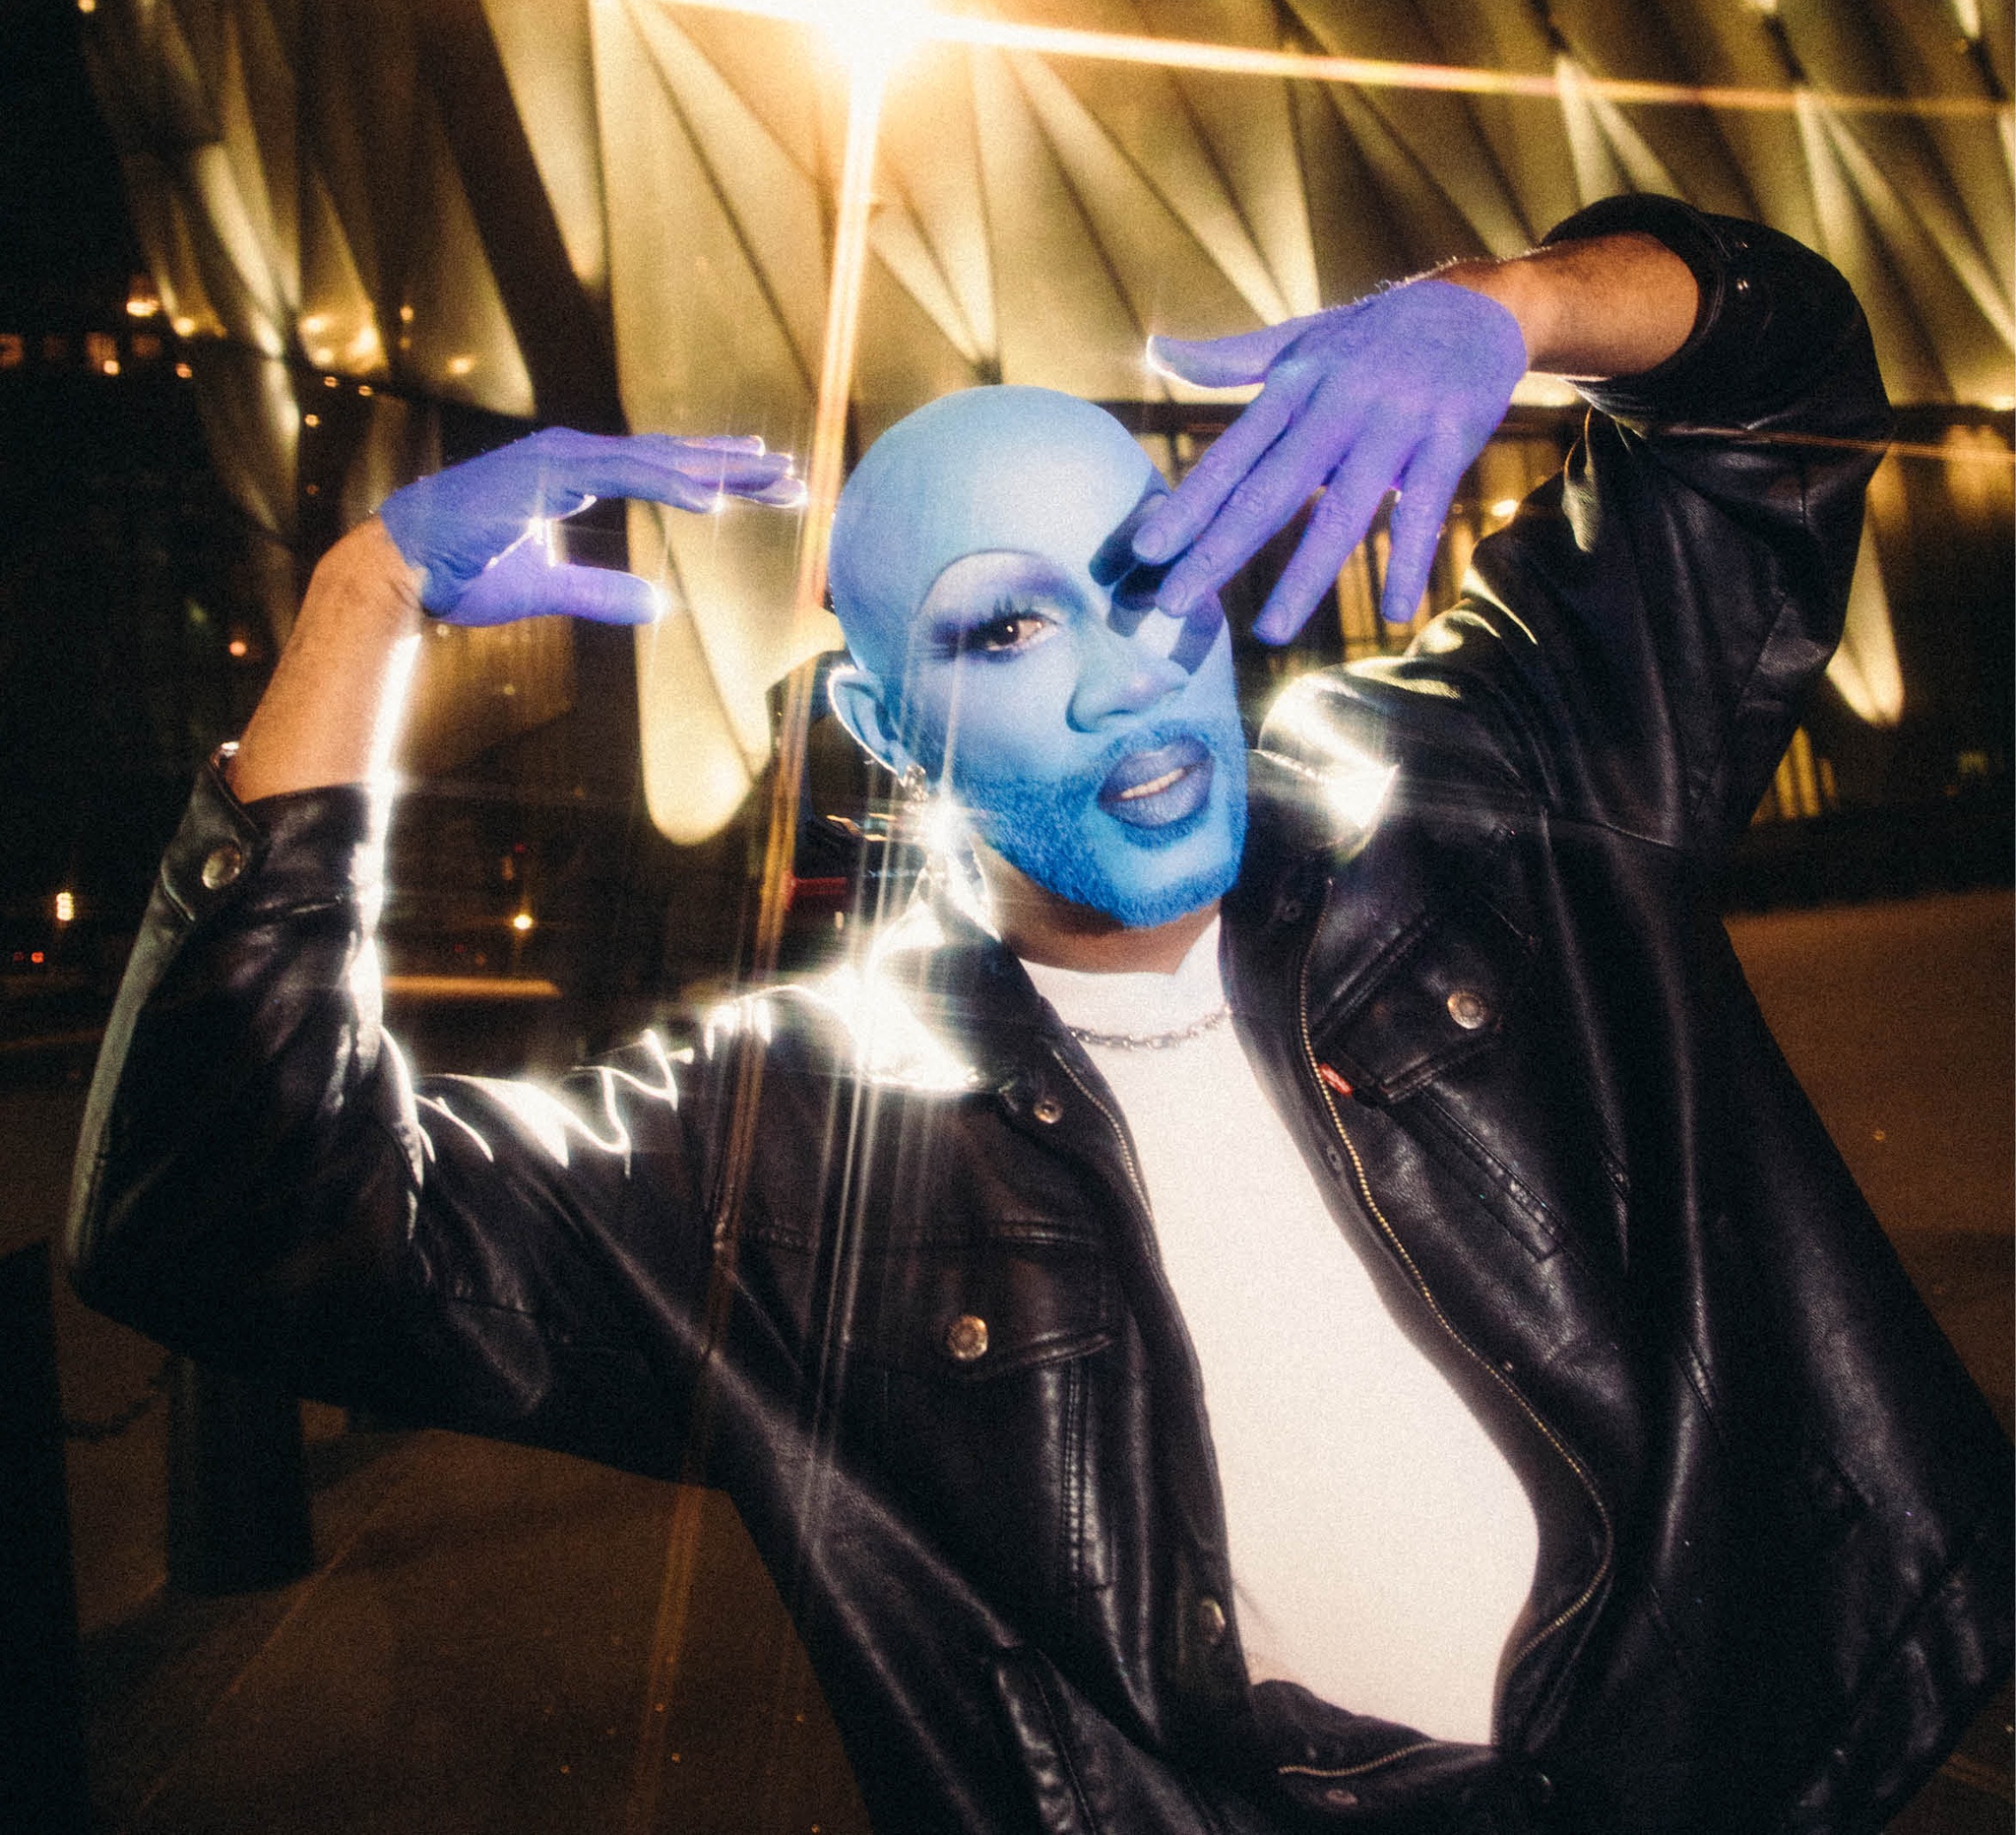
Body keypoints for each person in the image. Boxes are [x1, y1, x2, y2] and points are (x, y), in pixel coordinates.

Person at [68, 194, 2009, 1835]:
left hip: (1755, 1762)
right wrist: (358, 607)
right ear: (881, 733)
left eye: (1146, 580)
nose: (1120, 681)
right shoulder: (793, 1140)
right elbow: (235, 1210)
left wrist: (1509, 303)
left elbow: (1772, 391)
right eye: (1007, 627)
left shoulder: (1473, 795)